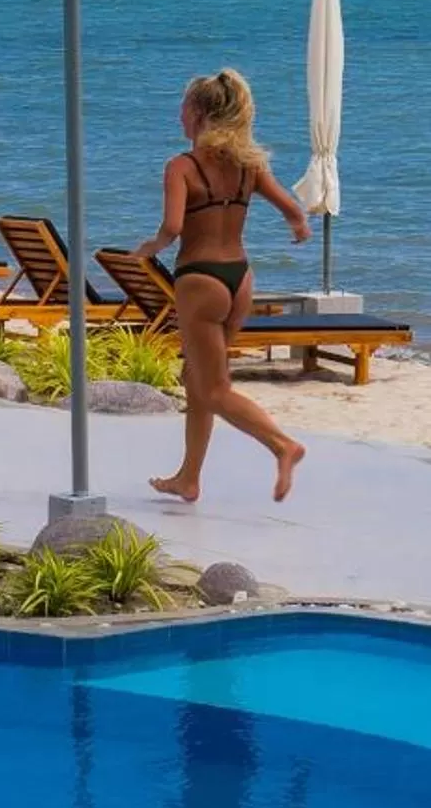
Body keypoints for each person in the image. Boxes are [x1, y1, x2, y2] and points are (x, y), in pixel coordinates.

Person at [132, 69, 310, 503]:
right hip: (240, 280)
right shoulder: (249, 166)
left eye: (183, 107)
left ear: (199, 114)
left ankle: (282, 445)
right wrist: (299, 226)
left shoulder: (182, 167)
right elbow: (292, 208)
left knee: (214, 389)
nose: (179, 115)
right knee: (198, 381)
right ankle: (188, 478)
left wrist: (148, 248)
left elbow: (173, 227)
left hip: (201, 280)